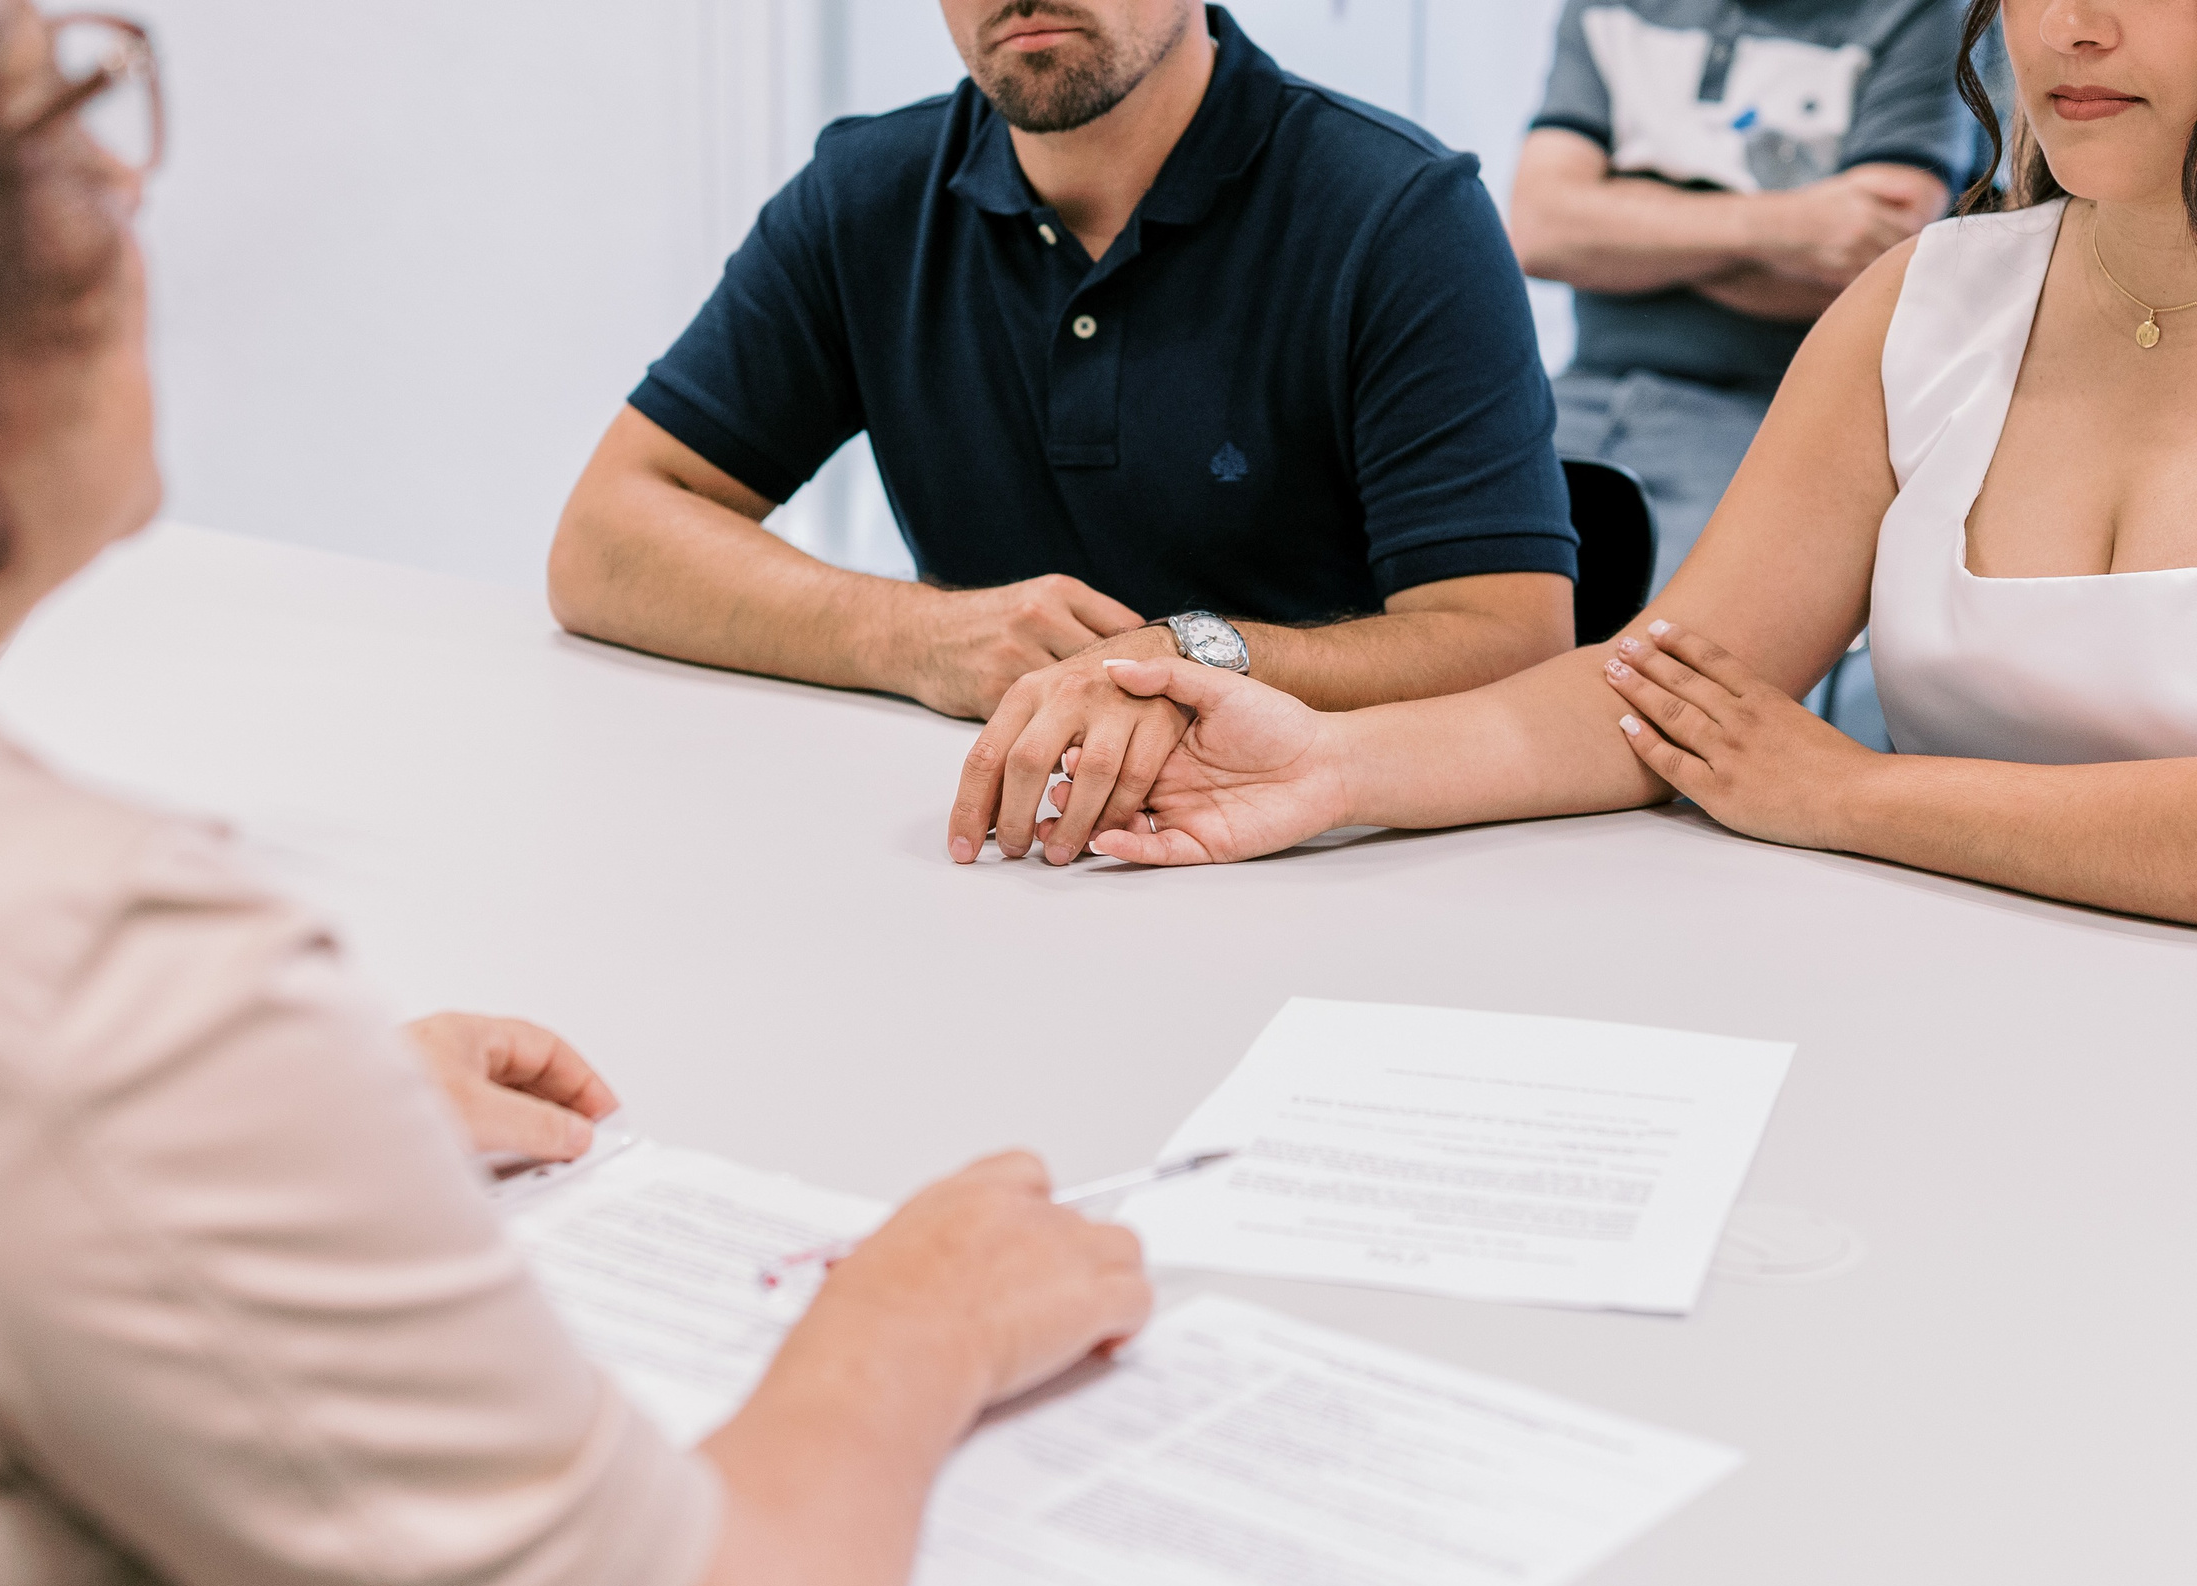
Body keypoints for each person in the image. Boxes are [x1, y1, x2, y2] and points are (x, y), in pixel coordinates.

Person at [0, 8, 1151, 1586]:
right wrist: (913, 1316)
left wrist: (254, 1132)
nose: (134, 211)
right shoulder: (89, 969)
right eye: (73, 151)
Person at [1068, 0, 2197, 930]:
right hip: (1941, 1000)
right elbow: (1665, 688)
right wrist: (1330, 764)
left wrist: (1849, 792)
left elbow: (1802, 776)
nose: (2066, 26)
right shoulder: (1928, 299)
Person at [550, 0, 1583, 871]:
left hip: (1337, 863)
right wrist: (917, 635)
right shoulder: (867, 196)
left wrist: (1183, 659)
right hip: (1002, 864)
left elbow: (1513, 641)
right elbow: (606, 539)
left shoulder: (1397, 213)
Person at [1510, 0, 1972, 592]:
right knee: (1457, 602)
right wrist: (1787, 227)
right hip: (1574, 394)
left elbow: (1871, 260)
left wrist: (1630, 220)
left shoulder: (1924, 16)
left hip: (1779, 415)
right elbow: (1540, 231)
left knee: (1663, 662)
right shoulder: (1610, 9)